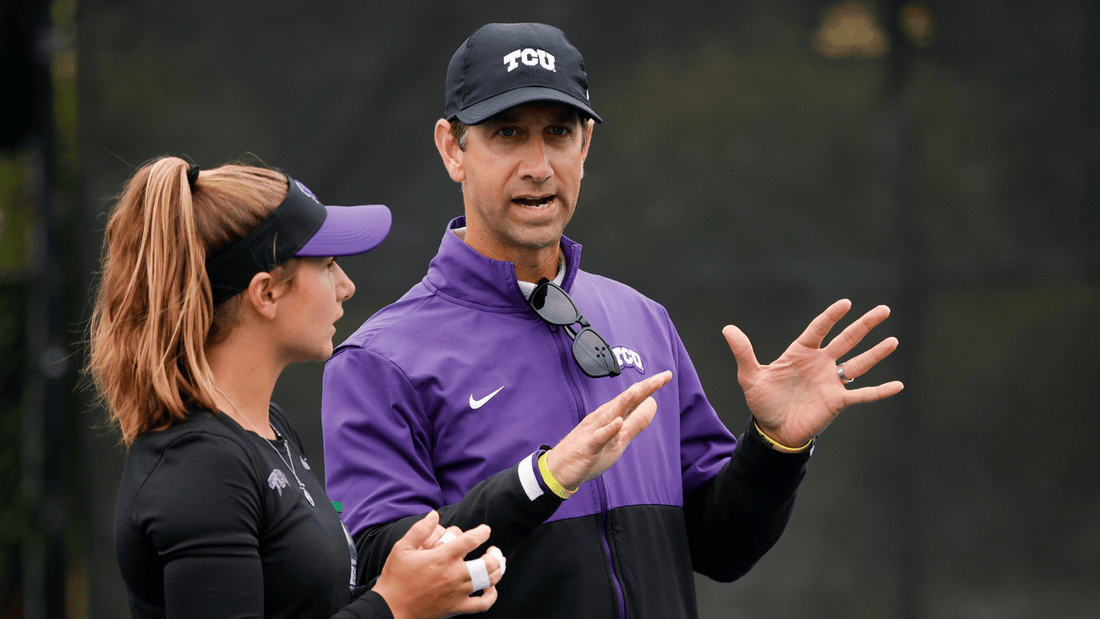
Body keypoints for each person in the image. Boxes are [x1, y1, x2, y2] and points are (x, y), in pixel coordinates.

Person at [321, 22, 904, 619]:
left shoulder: (641, 320)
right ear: (453, 149)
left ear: (586, 144)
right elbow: (388, 575)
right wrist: (542, 480)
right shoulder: (379, 361)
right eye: (507, 133)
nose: (539, 165)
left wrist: (776, 446)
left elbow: (723, 549)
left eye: (559, 132)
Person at [87, 156, 514, 619]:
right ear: (266, 293)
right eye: (328, 264)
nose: (346, 286)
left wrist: (414, 572)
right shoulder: (199, 465)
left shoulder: (269, 429)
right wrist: (395, 605)